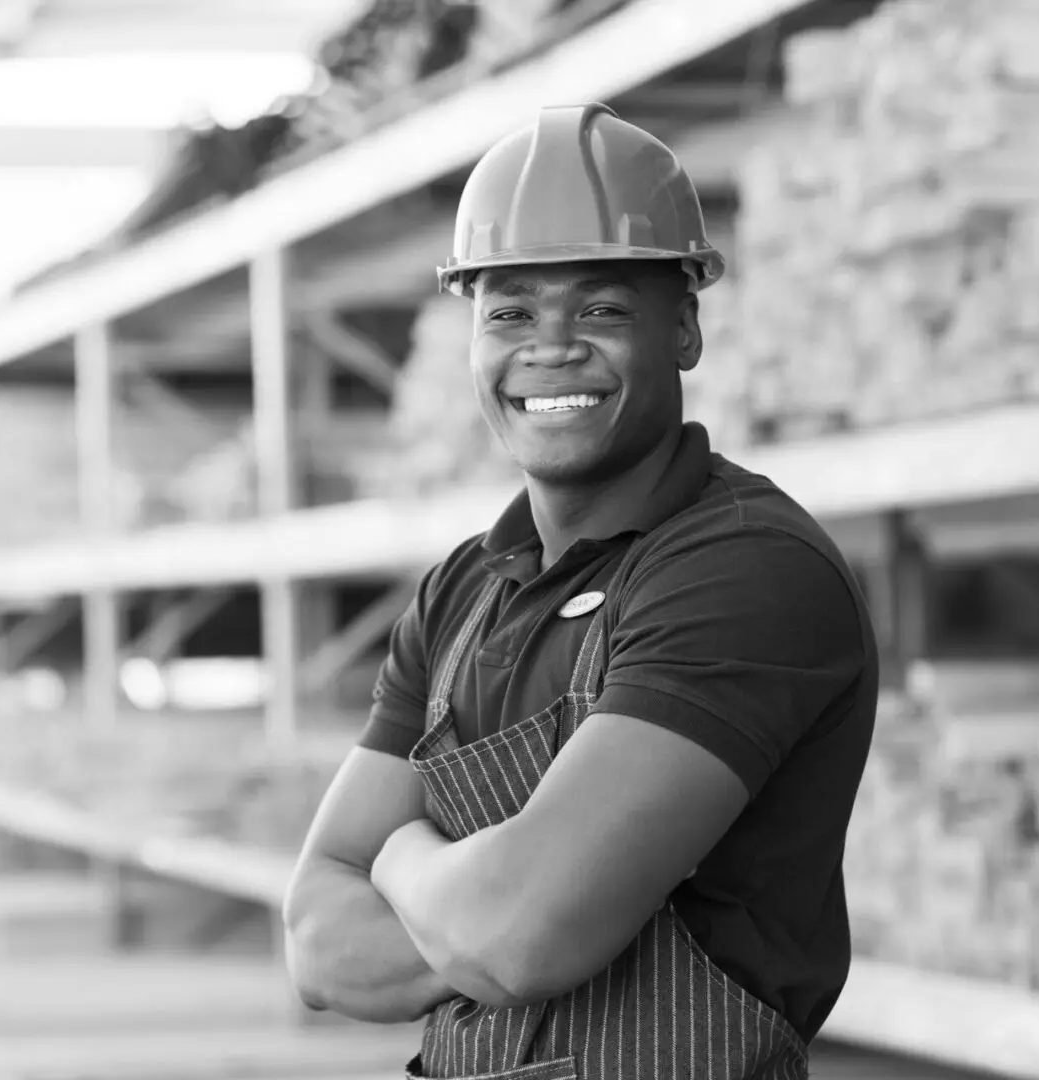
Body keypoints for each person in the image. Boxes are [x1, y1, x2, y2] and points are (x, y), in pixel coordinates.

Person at [282, 103, 878, 1080]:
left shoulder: (742, 572)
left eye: (600, 310)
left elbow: (522, 936)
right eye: (509, 313)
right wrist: (474, 917)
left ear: (684, 326)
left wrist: (395, 859)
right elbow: (315, 938)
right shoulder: (460, 595)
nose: (548, 348)